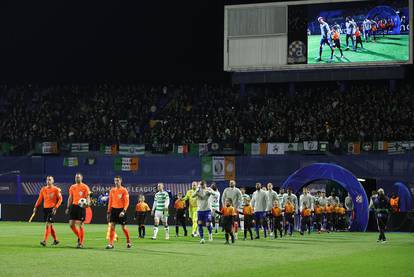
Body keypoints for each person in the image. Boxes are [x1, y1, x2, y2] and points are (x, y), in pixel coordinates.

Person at [33, 176, 62, 246]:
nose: (48, 181)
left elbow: (60, 199)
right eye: (47, 180)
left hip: (52, 209)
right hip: (45, 209)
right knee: (50, 226)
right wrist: (35, 207)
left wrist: (56, 207)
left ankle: (45, 241)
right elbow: (39, 199)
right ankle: (55, 240)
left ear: (53, 181)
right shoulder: (43, 189)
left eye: (50, 180)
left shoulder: (56, 189)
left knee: (47, 225)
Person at [65, 173, 91, 248]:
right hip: (74, 206)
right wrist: (68, 207)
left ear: (81, 178)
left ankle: (80, 243)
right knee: (71, 224)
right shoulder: (72, 187)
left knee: (80, 225)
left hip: (81, 207)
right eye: (76, 177)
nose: (77, 178)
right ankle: (79, 237)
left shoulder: (85, 187)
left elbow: (88, 197)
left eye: (78, 177)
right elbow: (70, 197)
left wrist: (88, 203)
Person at [106, 176, 131, 249]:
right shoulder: (112, 190)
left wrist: (124, 211)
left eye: (118, 181)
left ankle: (128, 241)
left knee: (124, 228)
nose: (116, 182)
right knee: (112, 227)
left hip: (121, 210)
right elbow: (110, 202)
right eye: (115, 181)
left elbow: (127, 202)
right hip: (114, 210)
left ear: (121, 181)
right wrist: (108, 212)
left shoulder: (124, 190)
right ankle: (111, 244)